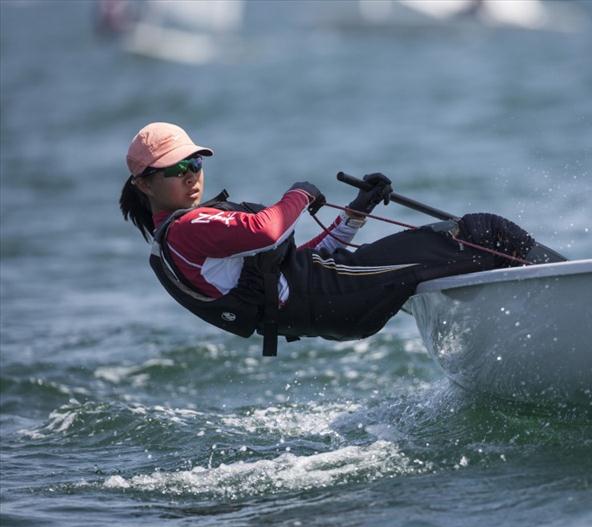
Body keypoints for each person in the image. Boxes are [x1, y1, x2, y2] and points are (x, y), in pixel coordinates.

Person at [119, 122, 566, 355]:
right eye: (176, 171)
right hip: (336, 293)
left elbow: (307, 259)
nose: (191, 176)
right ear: (144, 184)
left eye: (195, 163)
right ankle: (574, 289)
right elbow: (268, 228)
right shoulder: (188, 230)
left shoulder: (186, 237)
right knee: (485, 232)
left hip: (331, 297)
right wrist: (301, 192)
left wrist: (358, 209)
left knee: (457, 245)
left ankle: (533, 326)